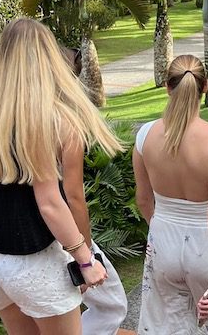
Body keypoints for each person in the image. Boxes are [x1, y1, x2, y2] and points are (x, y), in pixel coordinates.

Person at [0, 18, 122, 335]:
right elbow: (60, 202)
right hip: (39, 263)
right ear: (48, 58)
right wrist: (85, 258)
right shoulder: (55, 119)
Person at [133, 54, 208, 334]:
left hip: (163, 241)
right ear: (206, 86)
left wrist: (163, 230)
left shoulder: (144, 136)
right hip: (207, 248)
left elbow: (143, 199)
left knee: (164, 327)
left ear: (167, 87)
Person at [60, 46, 128, 335]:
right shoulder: (63, 121)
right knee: (112, 304)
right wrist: (85, 255)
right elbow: (73, 194)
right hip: (60, 231)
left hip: (9, 243)